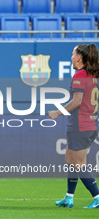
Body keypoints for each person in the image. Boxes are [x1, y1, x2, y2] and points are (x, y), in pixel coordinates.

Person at [48, 43, 99, 209]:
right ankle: (69, 197)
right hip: (90, 123)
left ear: (78, 57)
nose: (71, 57)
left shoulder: (80, 75)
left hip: (81, 125)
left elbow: (77, 101)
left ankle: (97, 197)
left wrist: (58, 112)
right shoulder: (93, 75)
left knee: (78, 164)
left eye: (72, 54)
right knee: (70, 159)